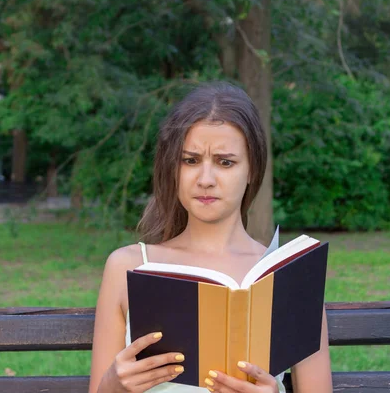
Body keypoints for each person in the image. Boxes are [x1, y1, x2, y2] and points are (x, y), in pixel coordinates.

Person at [88, 82, 332, 393]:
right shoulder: (128, 267)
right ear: (173, 168)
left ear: (252, 171)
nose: (205, 180)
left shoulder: (291, 276)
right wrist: (113, 384)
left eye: (225, 162)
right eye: (190, 160)